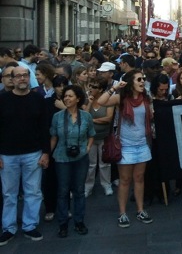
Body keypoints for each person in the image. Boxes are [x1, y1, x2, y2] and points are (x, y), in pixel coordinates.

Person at [96, 69, 154, 228]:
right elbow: (101, 101)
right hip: (125, 146)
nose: (142, 82)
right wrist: (114, 88)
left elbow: (150, 116)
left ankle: (140, 210)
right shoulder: (121, 98)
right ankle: (122, 213)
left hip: (142, 144)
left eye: (143, 79)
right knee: (125, 180)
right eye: (139, 80)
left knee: (139, 179)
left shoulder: (146, 98)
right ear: (130, 83)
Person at [0, 66, 50, 246]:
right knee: (9, 193)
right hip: (7, 155)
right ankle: (9, 228)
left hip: (33, 153)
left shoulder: (38, 99)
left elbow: (44, 128)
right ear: (11, 79)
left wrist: (46, 152)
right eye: (18, 76)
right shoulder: (2, 99)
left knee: (33, 192)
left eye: (25, 75)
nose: (22, 78)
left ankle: (30, 225)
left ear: (29, 78)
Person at [50, 85, 95, 237]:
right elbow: (54, 137)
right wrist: (47, 155)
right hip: (62, 157)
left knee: (79, 190)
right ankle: (63, 223)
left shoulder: (86, 116)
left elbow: (91, 134)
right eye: (65, 96)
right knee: (63, 191)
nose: (67, 99)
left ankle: (79, 221)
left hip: (81, 157)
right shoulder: (57, 117)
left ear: (78, 98)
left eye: (70, 96)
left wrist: (87, 148)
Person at [85, 80, 115, 197]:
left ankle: (106, 184)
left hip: (104, 136)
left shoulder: (108, 101)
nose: (91, 88)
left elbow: (108, 118)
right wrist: (89, 103)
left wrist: (92, 120)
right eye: (90, 86)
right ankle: (88, 187)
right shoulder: (87, 100)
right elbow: (84, 116)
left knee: (105, 163)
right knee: (91, 164)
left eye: (94, 86)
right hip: (90, 138)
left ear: (101, 90)